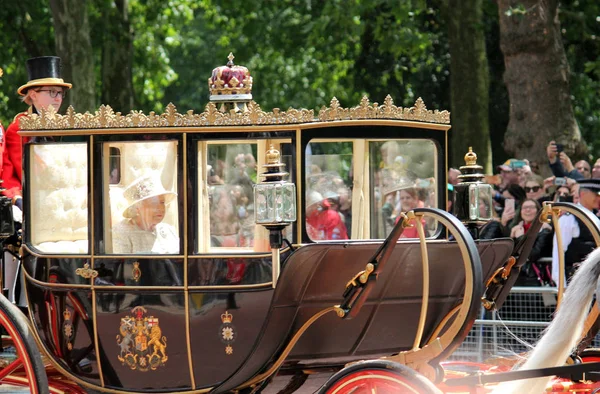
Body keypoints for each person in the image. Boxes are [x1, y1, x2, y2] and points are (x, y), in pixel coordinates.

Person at [2, 56, 71, 208]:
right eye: (52, 92)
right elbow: (29, 175)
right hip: (38, 204)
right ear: (33, 95)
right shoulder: (20, 127)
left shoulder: (65, 123)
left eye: (60, 93)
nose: (58, 98)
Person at [552, 178, 600, 286]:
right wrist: (562, 287)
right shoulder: (568, 219)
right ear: (583, 194)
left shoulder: (597, 217)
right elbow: (558, 254)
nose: (599, 198)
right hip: (576, 283)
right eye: (596, 195)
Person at [112, 176, 179, 254]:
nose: (161, 208)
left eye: (162, 202)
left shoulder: (168, 231)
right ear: (137, 207)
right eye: (154, 203)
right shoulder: (121, 233)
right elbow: (123, 265)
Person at [509, 199, 554, 286]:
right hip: (515, 278)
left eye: (531, 207)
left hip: (535, 277)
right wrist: (511, 238)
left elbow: (533, 255)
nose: (528, 210)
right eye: (525, 207)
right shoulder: (516, 229)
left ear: (538, 211)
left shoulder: (544, 230)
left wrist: (520, 238)